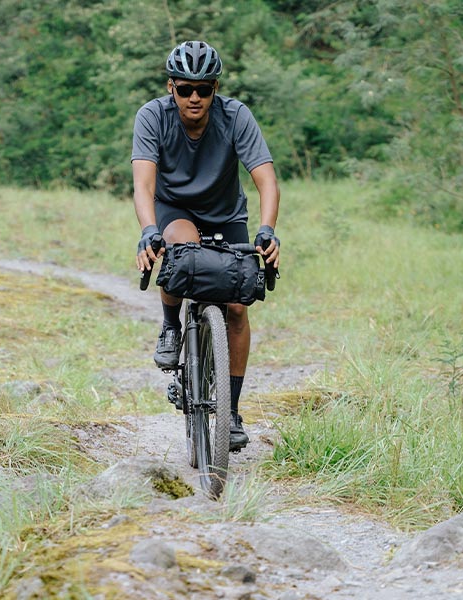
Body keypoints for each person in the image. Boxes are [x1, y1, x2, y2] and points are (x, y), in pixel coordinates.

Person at [131, 40, 280, 451]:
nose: (194, 97)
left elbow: (265, 179)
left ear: (215, 89)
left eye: (204, 89)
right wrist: (148, 229)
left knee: (236, 305)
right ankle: (170, 325)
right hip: (174, 209)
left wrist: (267, 230)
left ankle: (229, 410)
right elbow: (143, 183)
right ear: (170, 87)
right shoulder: (153, 117)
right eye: (184, 89)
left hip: (227, 214)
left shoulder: (236, 117)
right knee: (184, 254)